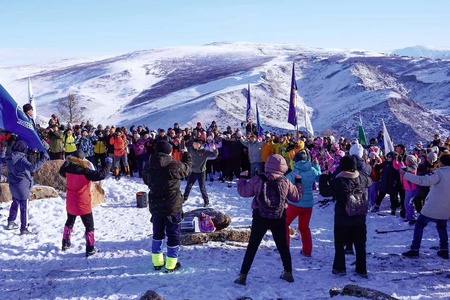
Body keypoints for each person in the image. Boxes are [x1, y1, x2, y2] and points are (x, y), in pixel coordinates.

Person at [234, 154, 303, 285]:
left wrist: (242, 178)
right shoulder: (285, 182)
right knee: (283, 246)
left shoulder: (258, 179)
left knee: (253, 246)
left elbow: (244, 192)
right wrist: (298, 183)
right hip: (279, 216)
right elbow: (297, 197)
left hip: (260, 216)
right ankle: (288, 273)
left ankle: (243, 275)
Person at [142, 140, 192, 272]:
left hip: (156, 205)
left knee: (157, 234)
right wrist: (186, 154)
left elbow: (146, 180)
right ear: (169, 151)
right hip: (172, 206)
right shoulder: (174, 165)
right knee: (173, 234)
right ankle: (171, 264)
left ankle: (157, 262)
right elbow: (187, 169)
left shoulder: (148, 166)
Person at [58, 149, 113, 256]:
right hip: (83, 202)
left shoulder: (67, 169)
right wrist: (108, 164)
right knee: (89, 226)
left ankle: (65, 242)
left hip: (71, 201)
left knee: (70, 222)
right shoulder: (85, 171)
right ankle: (90, 248)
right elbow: (101, 175)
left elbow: (61, 171)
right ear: (83, 159)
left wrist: (68, 160)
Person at [401, 153, 450, 259]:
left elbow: (423, 181)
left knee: (419, 225)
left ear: (441, 163)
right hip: (446, 207)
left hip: (433, 206)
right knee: (442, 227)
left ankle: (415, 249)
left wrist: (406, 174)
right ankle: (444, 249)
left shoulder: (439, 173)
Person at [331, 156, 371, 278]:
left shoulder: (339, 181)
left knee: (339, 243)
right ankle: (361, 269)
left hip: (342, 218)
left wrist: (323, 177)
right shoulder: (362, 178)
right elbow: (370, 181)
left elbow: (325, 191)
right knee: (360, 244)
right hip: (359, 216)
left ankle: (339, 267)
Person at [5, 140, 49, 234]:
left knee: (15, 203)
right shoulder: (21, 159)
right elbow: (32, 167)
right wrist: (43, 159)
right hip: (23, 186)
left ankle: (10, 222)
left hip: (13, 186)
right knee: (24, 207)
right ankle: (24, 228)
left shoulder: (9, 157)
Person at [284, 150, 321, 257]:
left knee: (284, 224)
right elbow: (319, 175)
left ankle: (284, 247)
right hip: (308, 204)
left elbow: (284, 182)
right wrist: (317, 165)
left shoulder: (294, 173)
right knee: (304, 228)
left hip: (295, 203)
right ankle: (307, 250)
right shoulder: (312, 170)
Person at [183, 137, 218, 207]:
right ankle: (184, 198)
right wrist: (183, 148)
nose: (194, 145)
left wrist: (215, 149)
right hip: (192, 171)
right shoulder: (190, 149)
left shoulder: (204, 151)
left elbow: (214, 154)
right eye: (193, 144)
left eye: (196, 144)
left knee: (202, 187)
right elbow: (184, 149)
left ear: (199, 144)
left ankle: (206, 201)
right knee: (188, 186)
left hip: (201, 172)